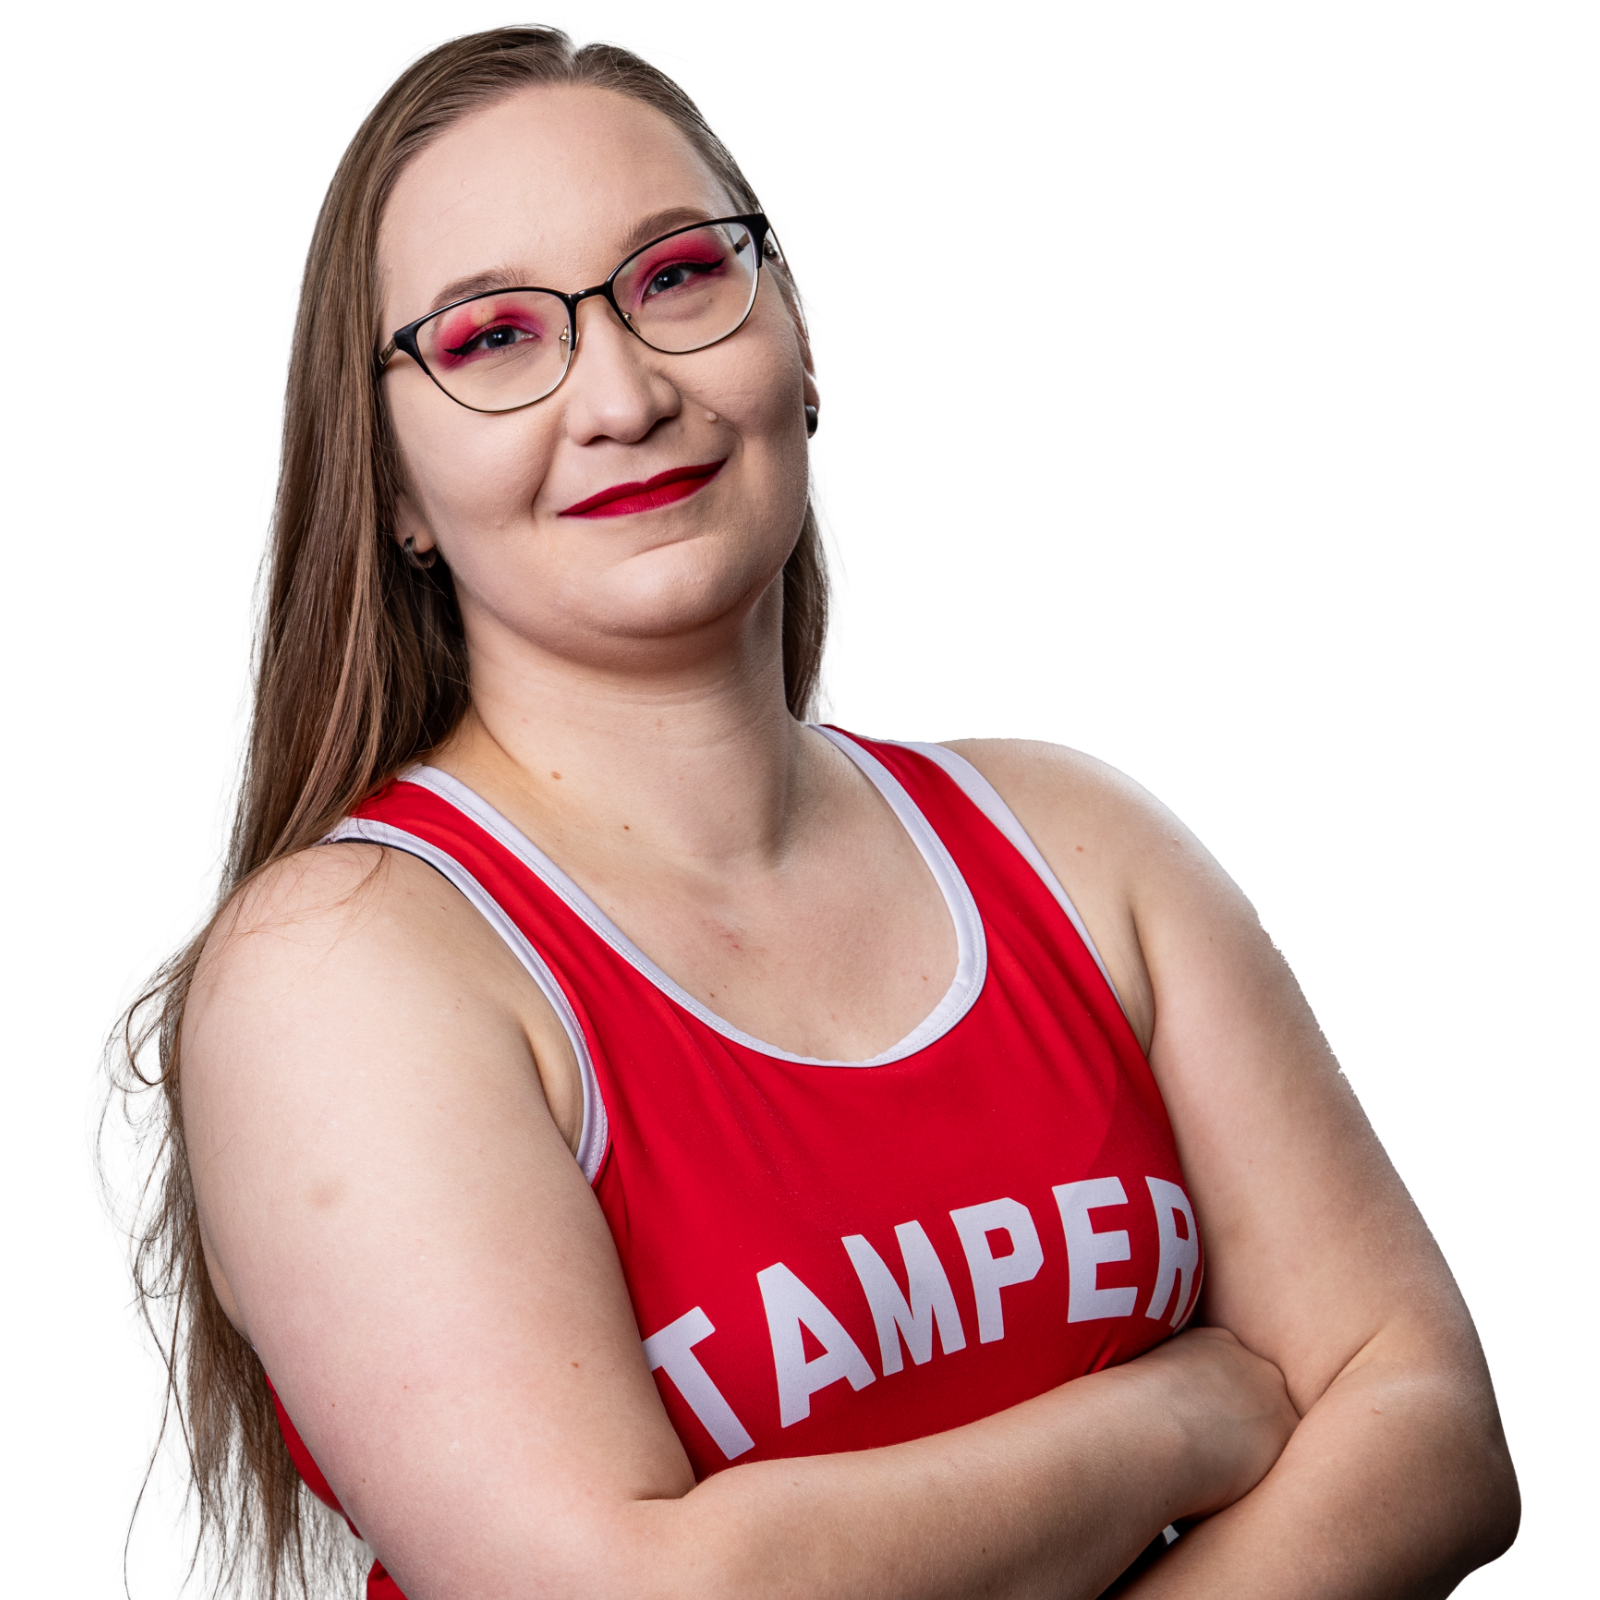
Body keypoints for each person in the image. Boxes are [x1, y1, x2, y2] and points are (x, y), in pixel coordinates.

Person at [83, 14, 1521, 1600]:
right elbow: (624, 1595)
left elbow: (1429, 1429)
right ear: (397, 488)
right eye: (492, 338)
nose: (622, 392)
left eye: (676, 276)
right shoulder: (342, 969)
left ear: (800, 338)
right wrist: (1171, 1422)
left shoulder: (1084, 852)